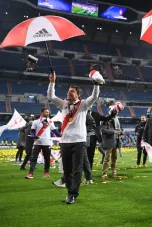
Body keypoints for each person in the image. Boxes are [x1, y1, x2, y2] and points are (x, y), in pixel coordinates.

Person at [47, 72, 100, 204]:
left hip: (79, 142)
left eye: (72, 92)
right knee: (67, 170)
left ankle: (73, 194)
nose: (69, 93)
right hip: (65, 142)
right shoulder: (63, 104)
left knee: (77, 169)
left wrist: (96, 84)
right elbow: (50, 96)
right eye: (68, 91)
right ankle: (69, 192)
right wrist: (52, 82)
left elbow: (94, 97)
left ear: (78, 94)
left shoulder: (83, 105)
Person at [25, 108, 60, 179]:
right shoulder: (36, 122)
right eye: (46, 112)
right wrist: (34, 136)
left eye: (48, 112)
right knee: (33, 158)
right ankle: (30, 173)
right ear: (42, 113)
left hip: (47, 143)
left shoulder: (50, 121)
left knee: (47, 159)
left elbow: (55, 131)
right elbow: (32, 131)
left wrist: (62, 135)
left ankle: (46, 173)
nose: (47, 113)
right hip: (37, 143)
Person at [101, 106, 122, 180]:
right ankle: (104, 173)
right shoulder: (106, 119)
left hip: (115, 141)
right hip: (109, 141)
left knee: (114, 158)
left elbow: (119, 129)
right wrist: (114, 132)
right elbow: (103, 130)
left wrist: (120, 132)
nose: (116, 112)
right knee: (107, 158)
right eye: (114, 111)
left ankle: (114, 172)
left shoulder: (116, 120)